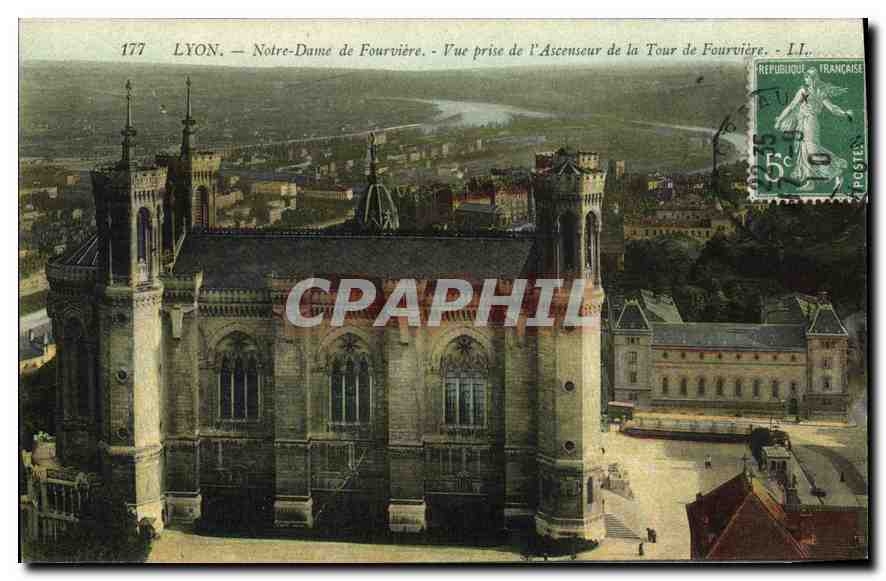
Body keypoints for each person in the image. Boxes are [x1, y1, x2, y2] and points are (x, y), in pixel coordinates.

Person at [775, 67, 853, 192]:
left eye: (808, 77)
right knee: (805, 151)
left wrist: (845, 113)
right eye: (805, 77)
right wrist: (780, 120)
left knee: (812, 151)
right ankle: (811, 182)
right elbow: (791, 107)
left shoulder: (819, 92)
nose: (806, 79)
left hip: (811, 123)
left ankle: (836, 170)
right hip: (802, 123)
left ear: (814, 78)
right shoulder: (803, 91)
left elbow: (832, 108)